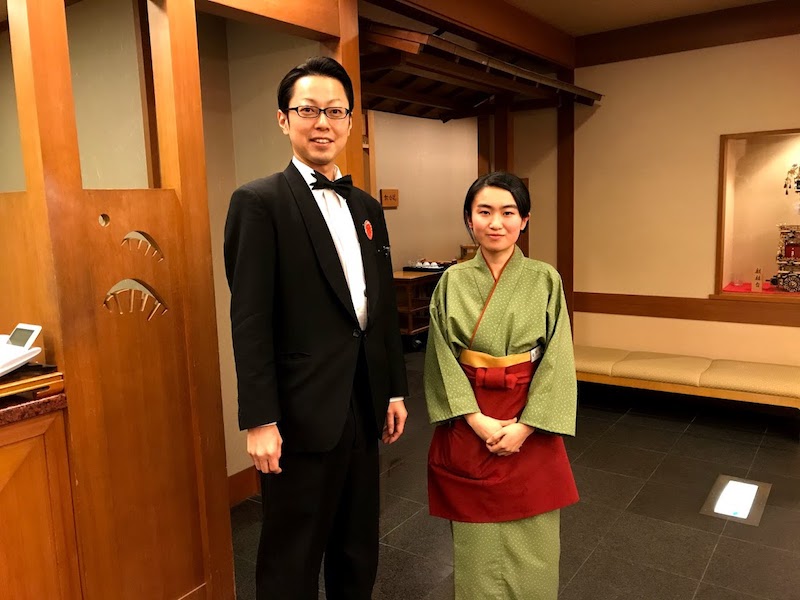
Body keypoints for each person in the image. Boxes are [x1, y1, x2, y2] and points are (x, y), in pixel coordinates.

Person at [224, 56, 409, 600]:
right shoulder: (258, 202)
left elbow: (378, 309)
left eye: (335, 111)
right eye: (308, 110)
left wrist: (394, 389)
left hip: (363, 401)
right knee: (292, 556)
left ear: (350, 121)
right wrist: (260, 419)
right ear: (284, 119)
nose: (322, 122)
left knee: (357, 547)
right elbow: (249, 320)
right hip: (299, 411)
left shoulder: (367, 207)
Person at [424, 171, 578, 599]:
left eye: (508, 212)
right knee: (476, 542)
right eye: (484, 212)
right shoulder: (452, 281)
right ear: (469, 219)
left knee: (535, 537)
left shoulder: (545, 279)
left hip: (529, 417)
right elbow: (439, 358)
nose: (496, 223)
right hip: (470, 418)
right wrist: (476, 420)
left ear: (524, 220)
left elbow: (557, 358)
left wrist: (526, 427)